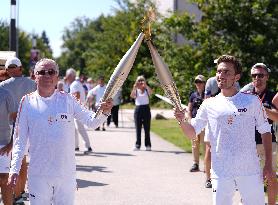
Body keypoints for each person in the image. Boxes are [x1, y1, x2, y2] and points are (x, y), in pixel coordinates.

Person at [7, 58, 113, 205]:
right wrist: (14, 169)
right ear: (34, 76)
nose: (47, 76)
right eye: (42, 72)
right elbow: (20, 140)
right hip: (38, 176)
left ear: (57, 76)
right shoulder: (26, 102)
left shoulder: (68, 100)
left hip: (65, 176)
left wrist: (104, 111)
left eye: (51, 72)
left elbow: (92, 122)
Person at [174, 55, 274, 205]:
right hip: (221, 172)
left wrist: (268, 165)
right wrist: (181, 120)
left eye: (226, 72)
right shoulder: (209, 104)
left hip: (249, 170)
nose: (221, 75)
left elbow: (266, 131)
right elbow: (193, 132)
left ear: (237, 77)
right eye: (219, 71)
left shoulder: (252, 101)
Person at [0, 56, 37, 204]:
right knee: (22, 162)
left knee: (11, 166)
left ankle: (14, 194)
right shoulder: (32, 84)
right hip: (26, 125)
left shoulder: (3, 86)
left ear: (7, 70)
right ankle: (20, 193)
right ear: (21, 68)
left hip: (6, 127)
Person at [240, 62, 277, 205]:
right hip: (249, 144)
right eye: (254, 75)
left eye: (261, 75)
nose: (257, 78)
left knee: (271, 176)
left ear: (267, 77)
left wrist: (262, 108)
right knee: (247, 176)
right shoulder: (246, 96)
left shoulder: (273, 96)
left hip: (269, 143)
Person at [65, 68, 93, 153]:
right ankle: (76, 146)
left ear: (70, 76)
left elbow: (76, 95)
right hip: (77, 109)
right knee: (74, 129)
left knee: (80, 128)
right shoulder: (76, 83)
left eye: (67, 76)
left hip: (76, 110)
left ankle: (88, 146)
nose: (66, 77)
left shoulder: (74, 84)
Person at [0, 88, 17, 205]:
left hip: (3, 144)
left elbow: (17, 120)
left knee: (4, 179)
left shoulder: (6, 94)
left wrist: (12, 143)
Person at [187, 75, 206, 172]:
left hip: (204, 123)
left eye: (200, 82)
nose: (198, 84)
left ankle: (206, 164)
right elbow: (189, 109)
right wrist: (190, 120)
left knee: (204, 143)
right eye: (197, 82)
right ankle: (195, 163)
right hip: (194, 123)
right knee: (195, 144)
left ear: (204, 83)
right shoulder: (193, 95)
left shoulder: (208, 94)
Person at [130, 76, 153, 151]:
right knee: (138, 128)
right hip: (138, 109)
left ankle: (148, 145)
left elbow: (151, 93)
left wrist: (146, 85)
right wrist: (134, 87)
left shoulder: (146, 90)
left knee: (147, 128)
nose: (140, 82)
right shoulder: (136, 90)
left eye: (142, 80)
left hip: (146, 109)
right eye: (139, 81)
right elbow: (132, 96)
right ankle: (137, 145)